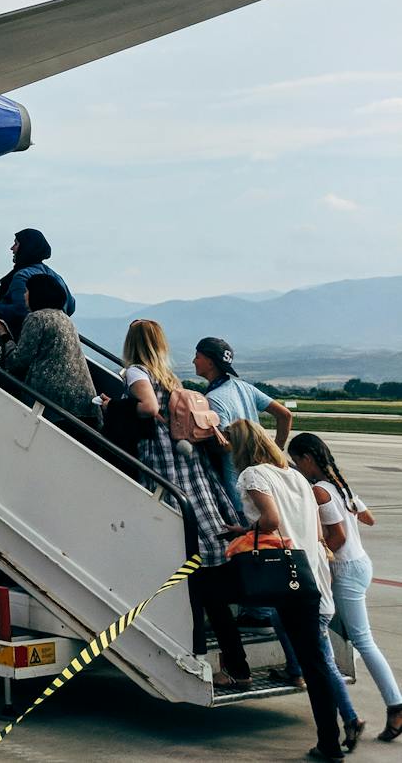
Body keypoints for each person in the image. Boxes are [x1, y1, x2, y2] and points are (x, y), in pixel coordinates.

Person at [104, 319, 253, 690]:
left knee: (185, 569)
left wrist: (116, 405)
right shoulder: (169, 375)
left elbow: (147, 406)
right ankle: (234, 661)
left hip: (165, 469)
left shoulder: (136, 371)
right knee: (206, 575)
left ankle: (227, 660)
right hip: (193, 472)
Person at [225, 419, 344, 760]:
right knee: (316, 663)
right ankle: (329, 740)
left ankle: (332, 741)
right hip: (309, 576)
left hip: (282, 574)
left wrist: (244, 529)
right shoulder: (296, 476)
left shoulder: (251, 475)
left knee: (208, 590)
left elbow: (271, 521)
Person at [290, 433, 402, 746]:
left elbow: (336, 538)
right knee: (349, 636)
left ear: (308, 459)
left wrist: (317, 543)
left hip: (346, 568)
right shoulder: (341, 485)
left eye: (298, 461)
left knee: (362, 641)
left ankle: (396, 705)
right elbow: (369, 519)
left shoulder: (320, 491)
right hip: (361, 563)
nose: (298, 467)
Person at [196, 336, 292, 510]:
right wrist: (276, 449)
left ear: (210, 363)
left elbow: (225, 444)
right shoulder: (244, 387)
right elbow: (285, 415)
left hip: (238, 487)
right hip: (263, 476)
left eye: (198, 356)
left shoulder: (213, 398)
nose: (193, 361)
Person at [3, 274, 100, 426]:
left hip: (51, 403)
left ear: (37, 294)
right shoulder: (65, 318)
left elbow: (17, 361)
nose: (24, 295)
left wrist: (5, 337)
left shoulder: (36, 318)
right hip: (82, 401)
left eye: (27, 291)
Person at [0, 228, 73, 329]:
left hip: (22, 337)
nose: (12, 248)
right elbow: (71, 306)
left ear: (26, 248)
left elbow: (22, 311)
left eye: (16, 244)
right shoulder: (55, 276)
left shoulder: (22, 276)